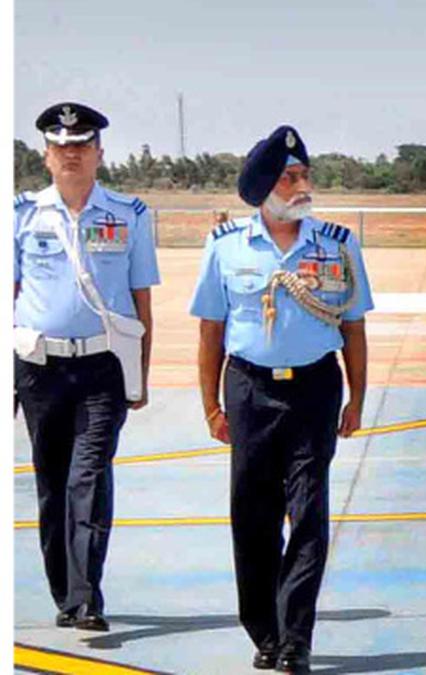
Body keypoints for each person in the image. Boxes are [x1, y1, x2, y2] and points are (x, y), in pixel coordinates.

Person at [190, 125, 374, 672]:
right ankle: (264, 631)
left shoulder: (338, 244)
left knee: (309, 512)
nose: (302, 185)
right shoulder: (225, 248)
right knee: (252, 515)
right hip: (248, 389)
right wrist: (211, 406)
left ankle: (296, 637)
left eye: (304, 175)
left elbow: (355, 327)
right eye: (290, 177)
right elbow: (210, 333)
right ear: (264, 188)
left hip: (315, 390)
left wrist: (357, 398)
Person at [13, 103, 159, 632]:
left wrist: (139, 373)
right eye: (61, 146)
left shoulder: (130, 215)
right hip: (38, 367)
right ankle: (65, 590)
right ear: (47, 156)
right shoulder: (22, 215)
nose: (71, 154)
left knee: (89, 476)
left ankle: (85, 596)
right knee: (53, 484)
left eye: (81, 145)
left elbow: (141, 300)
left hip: (102, 365)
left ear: (99, 154)